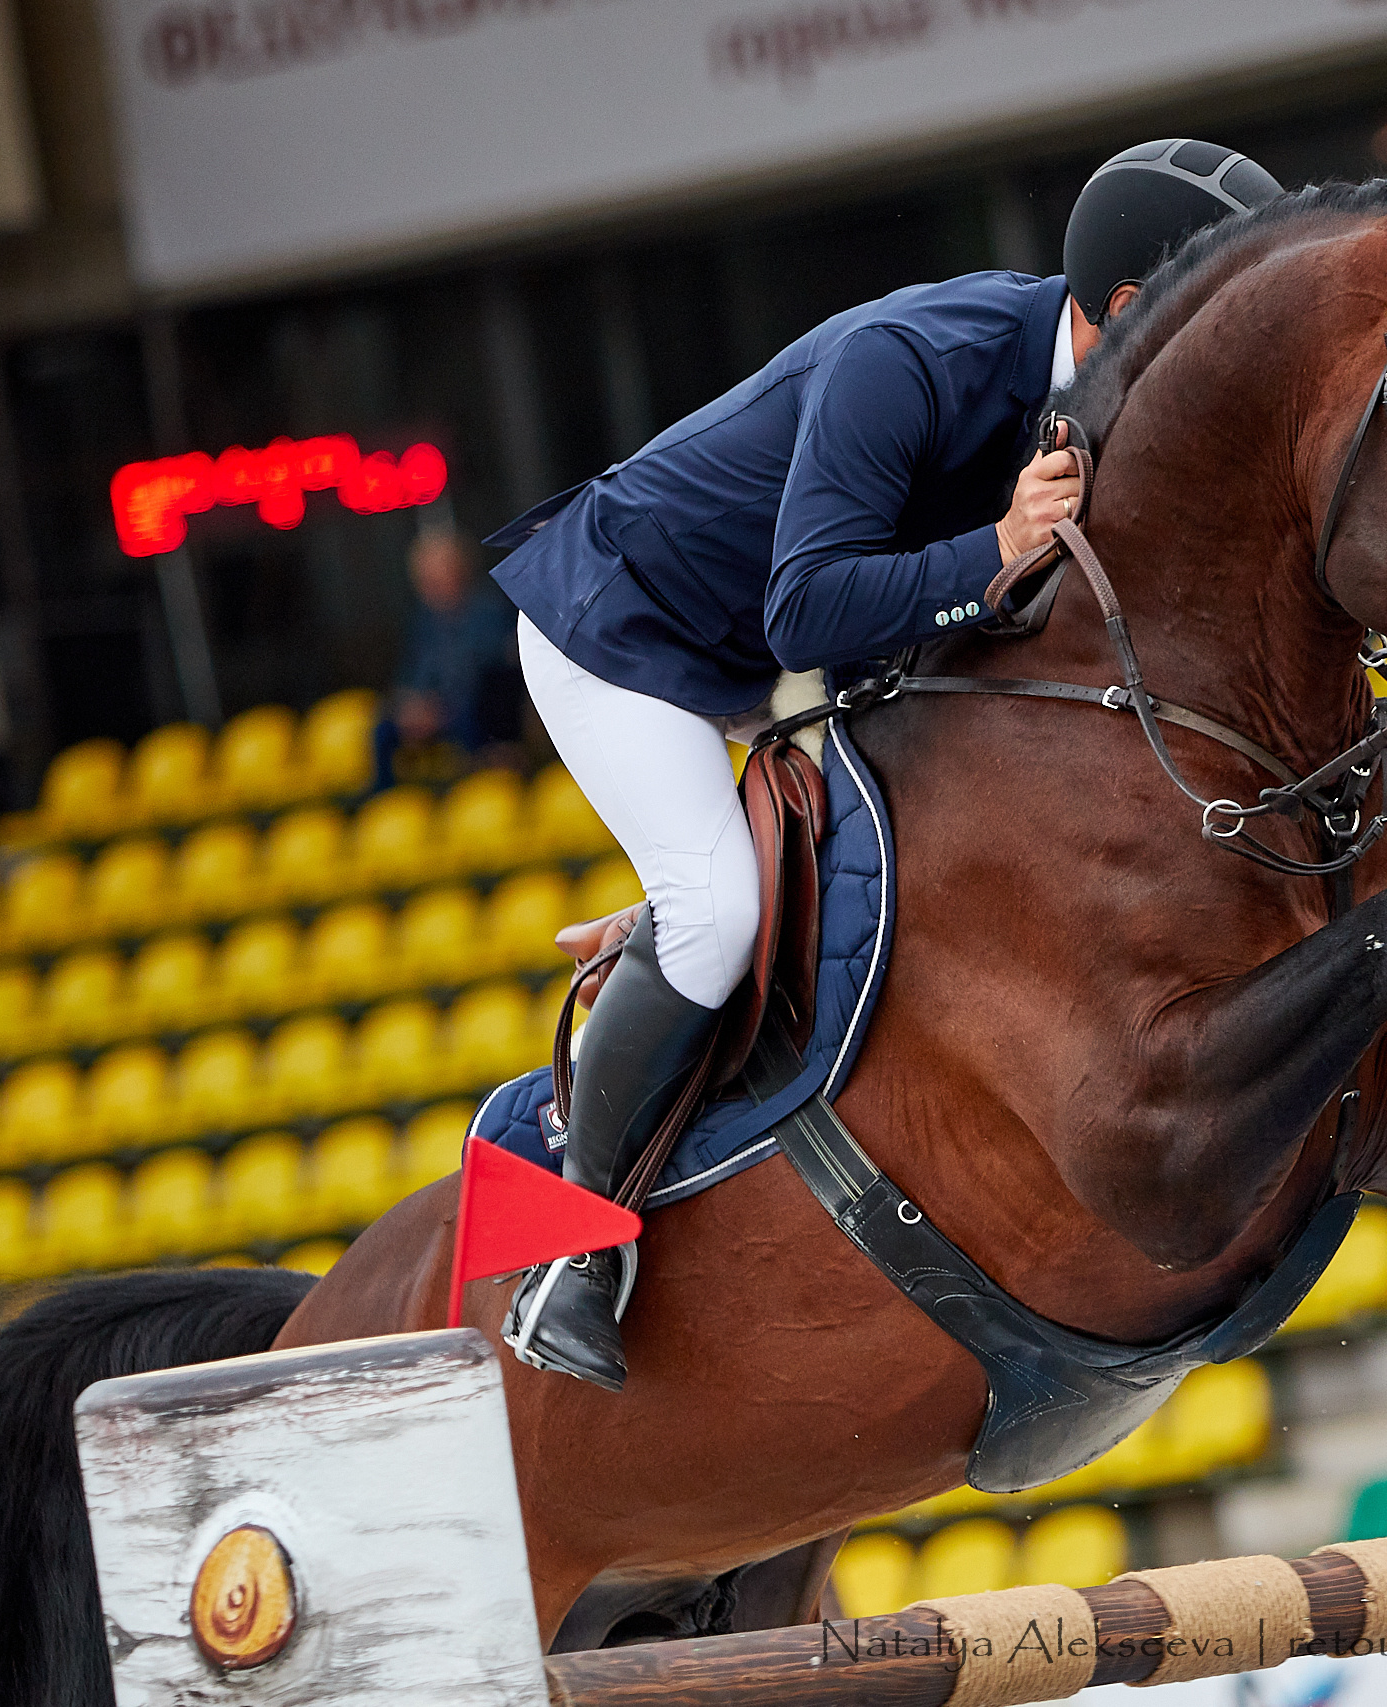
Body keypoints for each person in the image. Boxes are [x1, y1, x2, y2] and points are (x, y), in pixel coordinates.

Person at [483, 140, 1283, 1390]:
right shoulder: (911, 361)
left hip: (789, 647)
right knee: (720, 915)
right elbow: (804, 612)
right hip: (626, 628)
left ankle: (675, 923)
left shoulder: (1114, 397)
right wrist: (1000, 545)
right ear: (1133, 311)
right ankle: (576, 1251)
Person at [374, 527, 522, 788]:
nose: (428, 583)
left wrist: (440, 708)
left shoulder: (489, 611)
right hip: (433, 708)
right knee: (383, 730)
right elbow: (411, 673)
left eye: (435, 574)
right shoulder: (423, 622)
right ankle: (390, 803)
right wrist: (413, 703)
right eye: (423, 576)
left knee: (471, 715)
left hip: (473, 706)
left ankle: (477, 792)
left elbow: (488, 671)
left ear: (459, 570)